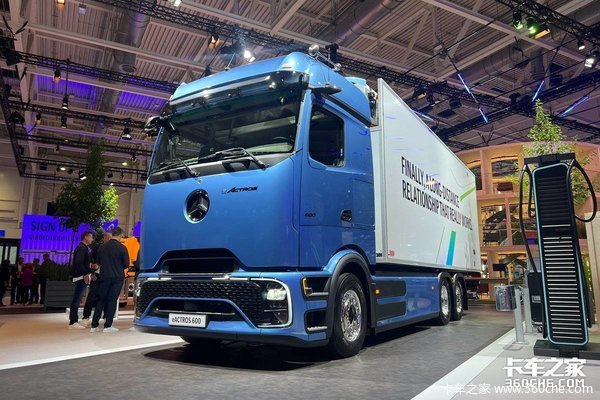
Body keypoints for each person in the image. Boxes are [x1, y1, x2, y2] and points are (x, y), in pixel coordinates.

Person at [91, 227, 129, 333]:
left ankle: (94, 326)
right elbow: (126, 265)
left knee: (101, 300)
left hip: (104, 276)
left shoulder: (102, 247)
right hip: (117, 278)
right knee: (112, 301)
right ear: (120, 235)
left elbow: (98, 263)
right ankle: (108, 326)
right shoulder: (122, 248)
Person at [81, 232, 111, 325]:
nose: (109, 239)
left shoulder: (113, 248)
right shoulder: (97, 247)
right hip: (97, 275)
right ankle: (86, 317)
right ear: (104, 237)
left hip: (108, 276)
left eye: (110, 237)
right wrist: (92, 272)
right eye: (108, 237)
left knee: (107, 297)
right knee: (92, 296)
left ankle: (106, 317)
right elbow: (89, 260)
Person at [69, 231, 94, 329]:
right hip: (80, 277)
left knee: (77, 299)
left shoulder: (82, 248)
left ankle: (73, 321)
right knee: (76, 299)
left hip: (80, 276)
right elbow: (79, 262)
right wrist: (85, 274)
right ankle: (73, 322)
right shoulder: (82, 248)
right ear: (85, 237)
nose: (92, 239)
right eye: (91, 237)